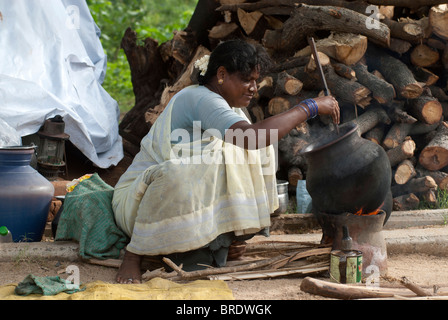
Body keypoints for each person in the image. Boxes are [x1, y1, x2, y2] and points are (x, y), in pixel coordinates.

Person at [112, 39, 340, 283]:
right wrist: (309, 107)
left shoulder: (225, 104)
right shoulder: (200, 98)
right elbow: (250, 137)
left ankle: (226, 237)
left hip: (177, 207)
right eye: (246, 80)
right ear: (221, 74)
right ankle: (134, 254)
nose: (253, 88)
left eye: (255, 80)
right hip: (138, 204)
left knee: (240, 152)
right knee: (188, 168)